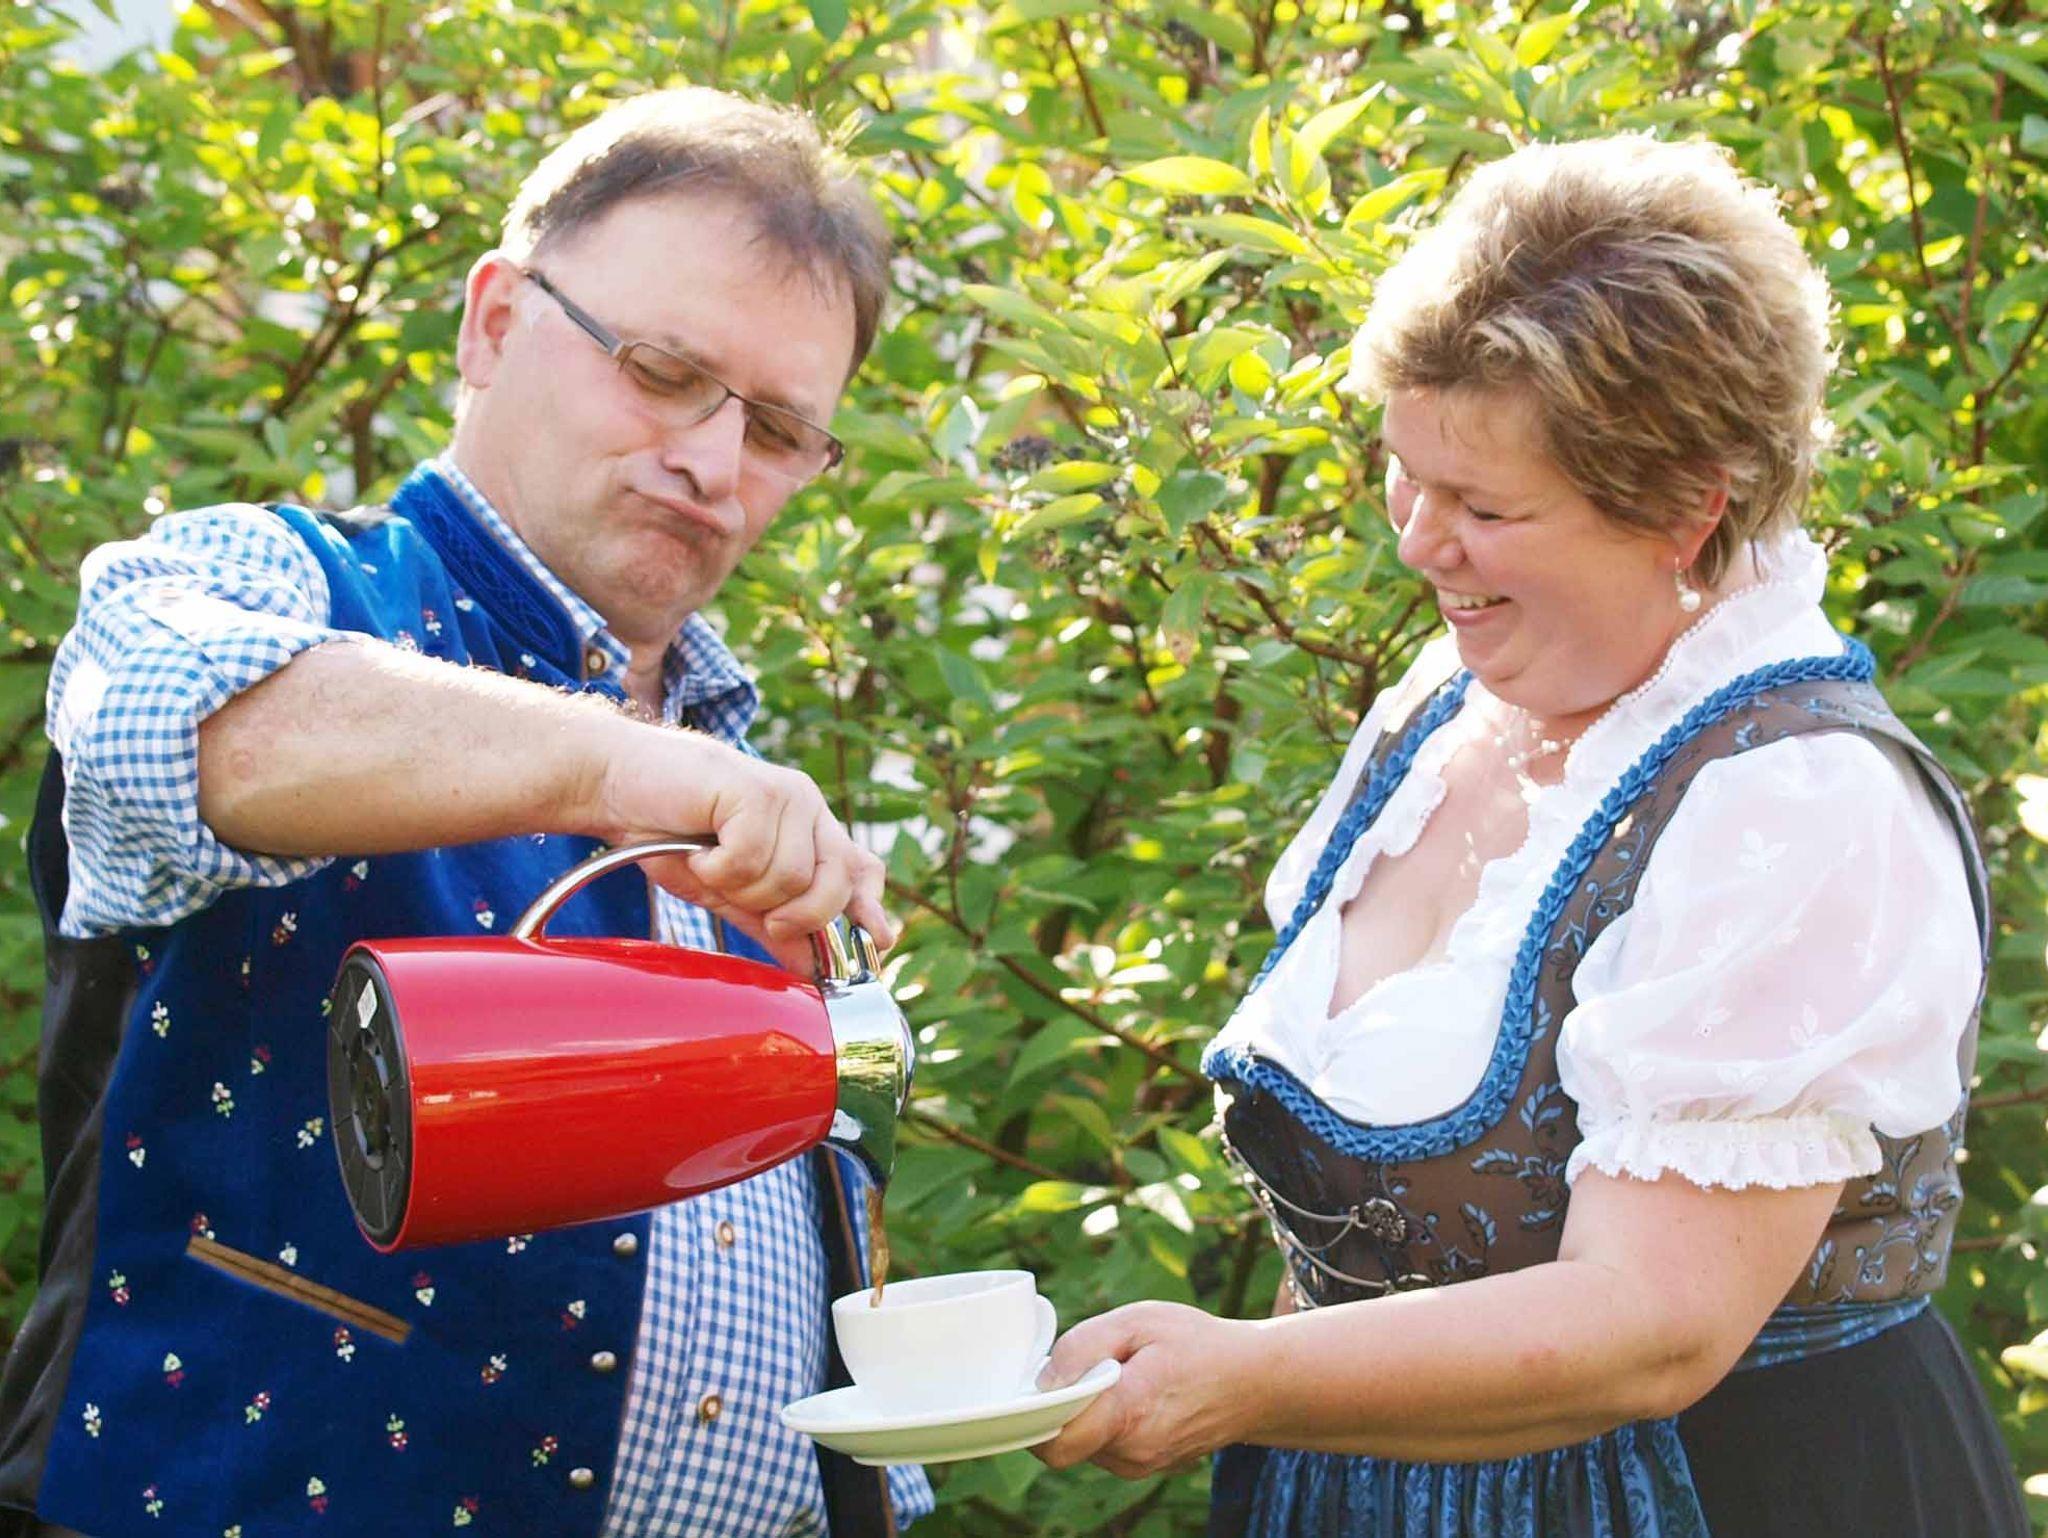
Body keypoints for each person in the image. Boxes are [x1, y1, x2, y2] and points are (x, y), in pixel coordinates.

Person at [1033, 134, 2028, 1536]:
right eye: (1405, 474)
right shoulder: (1438, 710)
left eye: (1485, 506)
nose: (1416, 542)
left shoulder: (1796, 799)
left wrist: (1246, 1377)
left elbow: (1655, 1326)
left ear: (1686, 509)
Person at [0, 88, 933, 1538]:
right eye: (664, 370)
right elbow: (159, 716)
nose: (710, 463)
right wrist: (623, 766)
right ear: (494, 322)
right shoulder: (287, 581)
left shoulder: (745, 772)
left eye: (775, 428)